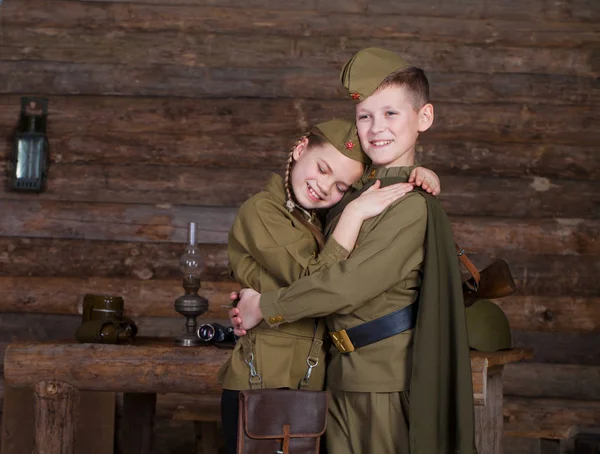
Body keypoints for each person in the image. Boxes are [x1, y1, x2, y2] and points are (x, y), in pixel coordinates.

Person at [230, 48, 477, 454]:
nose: (376, 128)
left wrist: (266, 306)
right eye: (365, 116)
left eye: (391, 114)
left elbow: (346, 286)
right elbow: (304, 256)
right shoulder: (350, 197)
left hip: (382, 380)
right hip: (336, 373)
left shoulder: (410, 205)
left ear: (424, 118)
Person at [218, 117, 441, 454]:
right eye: (322, 169)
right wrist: (353, 214)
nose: (325, 187)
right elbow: (314, 281)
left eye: (340, 187)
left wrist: (420, 174)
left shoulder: (316, 219)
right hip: (265, 382)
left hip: (311, 387)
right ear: (300, 148)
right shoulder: (263, 210)